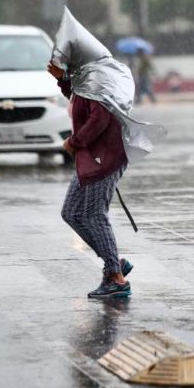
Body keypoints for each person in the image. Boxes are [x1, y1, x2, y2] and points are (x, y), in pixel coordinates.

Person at [47, 61, 133, 299]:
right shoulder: (86, 80)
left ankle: (116, 279)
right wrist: (63, 80)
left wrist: (73, 142)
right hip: (90, 158)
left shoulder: (98, 80)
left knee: (94, 215)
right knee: (71, 213)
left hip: (104, 157)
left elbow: (99, 118)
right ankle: (114, 263)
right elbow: (80, 101)